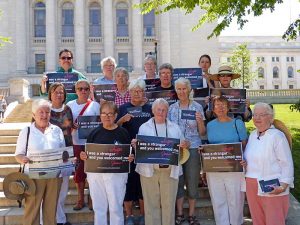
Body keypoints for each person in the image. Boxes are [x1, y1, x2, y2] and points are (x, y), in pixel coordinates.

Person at [133, 98, 188, 225]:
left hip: (170, 170)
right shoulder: (144, 127)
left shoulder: (175, 128)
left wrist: (184, 144)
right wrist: (136, 146)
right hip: (149, 170)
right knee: (151, 203)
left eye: (164, 110)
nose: (161, 112)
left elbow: (183, 147)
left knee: (168, 203)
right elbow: (141, 150)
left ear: (167, 112)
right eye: (158, 109)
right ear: (153, 110)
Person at [80, 101, 134, 225]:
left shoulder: (123, 133)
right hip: (96, 175)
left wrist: (130, 157)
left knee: (115, 206)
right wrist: (83, 156)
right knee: (99, 207)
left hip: (117, 175)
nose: (107, 116)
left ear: (116, 115)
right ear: (100, 115)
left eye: (110, 113)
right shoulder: (94, 133)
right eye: (104, 113)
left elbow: (129, 153)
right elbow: (86, 153)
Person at [15, 99, 65, 225]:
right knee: (32, 211)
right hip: (33, 177)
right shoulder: (26, 131)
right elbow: (18, 154)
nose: (44, 115)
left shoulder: (57, 130)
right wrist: (22, 158)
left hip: (54, 176)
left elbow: (63, 152)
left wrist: (68, 159)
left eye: (47, 112)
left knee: (51, 211)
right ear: (33, 115)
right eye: (40, 112)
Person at [244, 103, 294, 225]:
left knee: (274, 220)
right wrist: (244, 162)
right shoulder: (252, 135)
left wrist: (283, 185)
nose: (257, 118)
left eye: (262, 115)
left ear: (271, 118)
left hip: (272, 185)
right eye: (255, 115)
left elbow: (286, 163)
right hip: (251, 184)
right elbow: (250, 156)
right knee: (257, 219)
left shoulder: (277, 136)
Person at [168, 77, 206, 225]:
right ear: (175, 91)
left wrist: (200, 122)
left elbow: (202, 133)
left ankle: (191, 214)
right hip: (177, 150)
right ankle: (179, 213)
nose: (182, 91)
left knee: (192, 181)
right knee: (178, 181)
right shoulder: (171, 109)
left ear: (189, 90)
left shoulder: (197, 107)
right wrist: (177, 143)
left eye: (184, 88)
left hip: (193, 148)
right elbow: (168, 131)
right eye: (179, 89)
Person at [205, 96, 247, 225]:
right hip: (214, 169)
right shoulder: (210, 125)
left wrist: (240, 158)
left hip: (234, 168)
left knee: (235, 199)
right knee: (218, 200)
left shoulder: (237, 123)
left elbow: (245, 144)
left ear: (228, 107)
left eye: (223, 105)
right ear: (213, 108)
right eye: (217, 105)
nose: (220, 108)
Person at [117, 79, 152, 225]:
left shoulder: (149, 108)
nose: (137, 93)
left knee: (143, 184)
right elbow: (115, 126)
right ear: (130, 93)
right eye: (134, 91)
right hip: (128, 153)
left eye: (140, 91)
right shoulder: (124, 108)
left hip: (146, 151)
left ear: (144, 92)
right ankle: (129, 215)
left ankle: (144, 215)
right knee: (129, 184)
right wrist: (122, 120)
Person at [66, 80, 100, 210]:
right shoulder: (69, 105)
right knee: (79, 173)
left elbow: (100, 123)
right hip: (77, 143)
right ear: (76, 91)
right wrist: (71, 127)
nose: (83, 91)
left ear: (89, 90)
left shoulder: (96, 106)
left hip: (92, 144)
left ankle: (92, 199)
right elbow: (65, 124)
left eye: (86, 89)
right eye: (80, 89)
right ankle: (80, 199)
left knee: (92, 172)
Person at [48, 82, 73, 225]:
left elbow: (71, 128)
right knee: (50, 190)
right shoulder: (45, 109)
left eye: (61, 92)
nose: (59, 94)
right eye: (56, 92)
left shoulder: (68, 109)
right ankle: (49, 218)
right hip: (50, 154)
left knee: (63, 189)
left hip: (66, 153)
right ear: (50, 94)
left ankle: (60, 219)